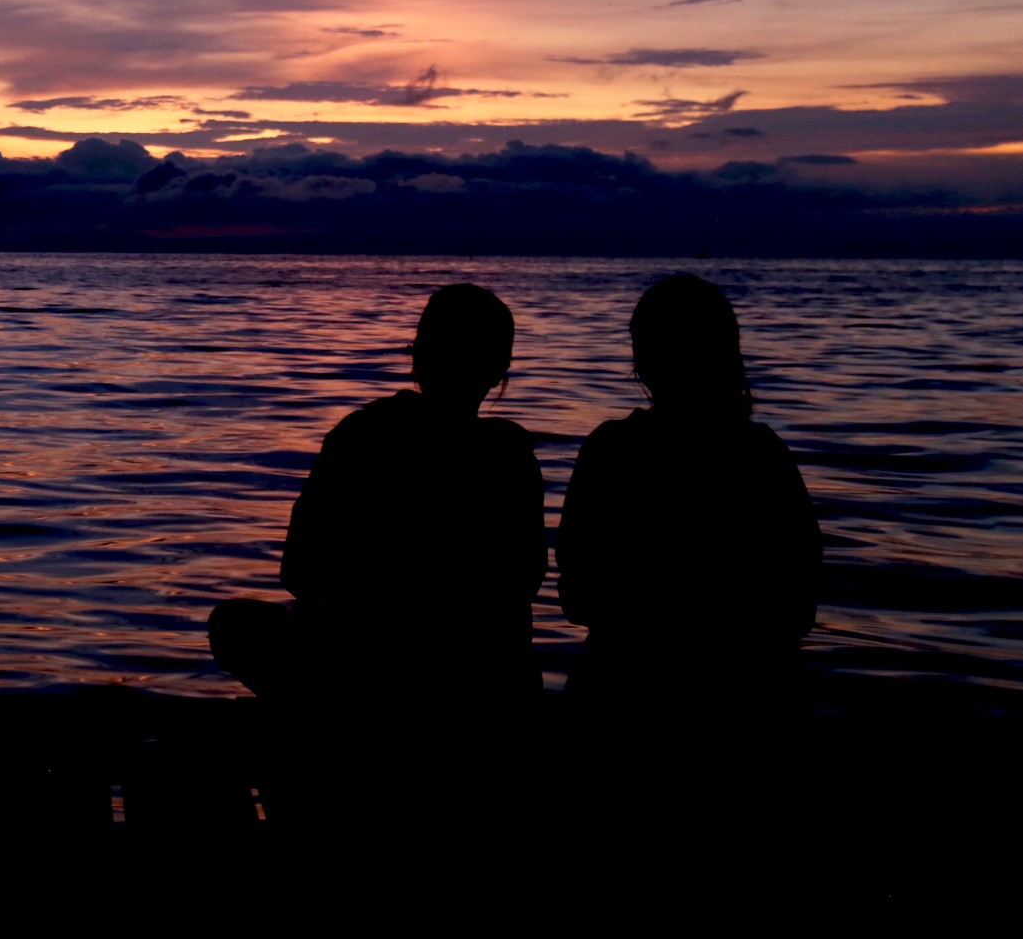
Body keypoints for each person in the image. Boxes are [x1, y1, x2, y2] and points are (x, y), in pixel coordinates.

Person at [209, 284, 547, 722]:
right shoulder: (511, 456)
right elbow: (525, 582)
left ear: (418, 355)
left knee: (235, 624)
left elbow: (299, 571)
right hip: (488, 682)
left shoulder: (361, 435)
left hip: (367, 672)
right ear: (499, 369)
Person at [557, 274, 819, 714]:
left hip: (623, 689)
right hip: (748, 693)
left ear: (641, 360)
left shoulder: (611, 449)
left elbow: (578, 596)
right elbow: (798, 606)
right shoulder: (762, 455)